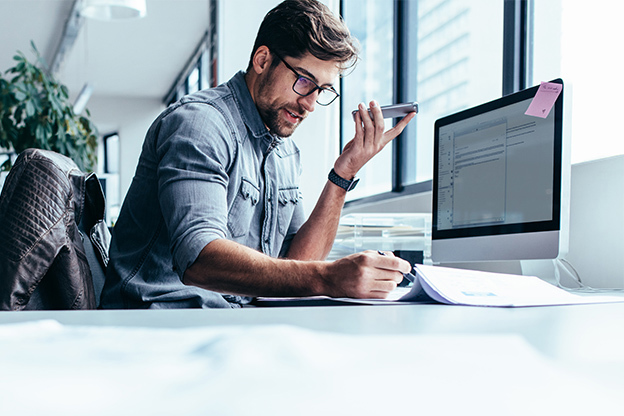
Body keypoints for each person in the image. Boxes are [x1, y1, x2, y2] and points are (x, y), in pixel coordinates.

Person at [100, 0, 416, 309]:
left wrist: (343, 174)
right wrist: (328, 277)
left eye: (321, 90)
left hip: (228, 321)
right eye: (304, 81)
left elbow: (296, 267)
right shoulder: (200, 124)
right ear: (263, 60)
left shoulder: (285, 151)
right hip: (157, 322)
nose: (309, 104)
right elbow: (198, 259)